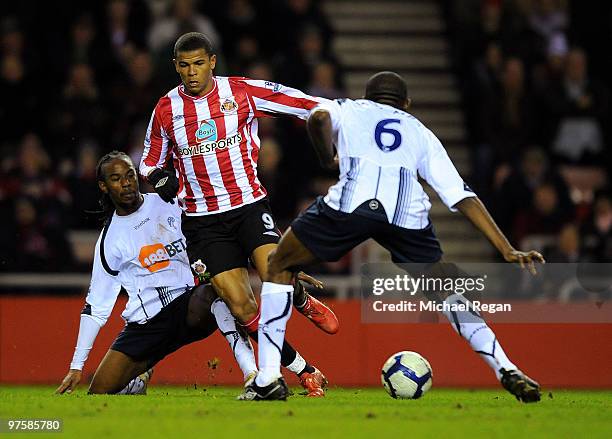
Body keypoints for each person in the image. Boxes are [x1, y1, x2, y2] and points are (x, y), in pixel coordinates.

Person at [264, 72, 545, 403]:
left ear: (367, 98)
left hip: (351, 204)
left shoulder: (350, 108)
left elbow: (319, 117)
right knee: (449, 293)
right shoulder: (422, 133)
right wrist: (506, 248)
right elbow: (461, 196)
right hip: (407, 215)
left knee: (278, 263)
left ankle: (268, 377)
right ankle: (506, 368)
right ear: (407, 104)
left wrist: (327, 159)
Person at [139, 32, 338, 400]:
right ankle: (303, 371)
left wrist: (343, 115)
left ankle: (299, 297)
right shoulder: (166, 109)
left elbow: (297, 101)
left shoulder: (241, 92)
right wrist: (158, 176)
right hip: (202, 222)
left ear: (212, 62)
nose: (192, 72)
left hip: (247, 207)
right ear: (176, 67)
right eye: (184, 66)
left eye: (199, 64)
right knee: (242, 307)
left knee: (273, 274)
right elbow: (148, 162)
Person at [56, 151, 323, 396]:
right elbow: (97, 308)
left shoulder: (170, 203)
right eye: (116, 179)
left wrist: (277, 265)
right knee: (99, 392)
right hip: (147, 324)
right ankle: (139, 378)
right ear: (104, 186)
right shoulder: (109, 240)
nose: (126, 183)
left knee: (218, 291)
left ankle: (253, 375)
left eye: (129, 175)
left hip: (189, 305)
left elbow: (225, 236)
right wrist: (76, 365)